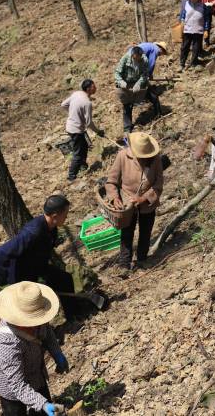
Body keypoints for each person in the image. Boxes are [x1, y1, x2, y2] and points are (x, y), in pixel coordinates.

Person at [0, 281, 69, 416]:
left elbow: (47, 333)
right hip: (10, 387)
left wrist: (57, 354)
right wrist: (43, 405)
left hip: (35, 374)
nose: (39, 323)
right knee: (16, 412)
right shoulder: (6, 342)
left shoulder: (38, 318)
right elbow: (17, 385)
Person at [0, 196, 79, 317]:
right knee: (30, 305)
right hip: (20, 275)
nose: (66, 217)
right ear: (54, 216)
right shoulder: (33, 232)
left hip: (37, 267)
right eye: (65, 214)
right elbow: (2, 252)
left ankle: (74, 315)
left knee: (65, 279)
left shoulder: (51, 228)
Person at [106, 132, 164, 271]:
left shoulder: (155, 159)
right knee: (127, 233)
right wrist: (115, 197)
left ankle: (142, 259)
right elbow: (111, 182)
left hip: (147, 204)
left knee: (145, 232)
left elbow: (158, 184)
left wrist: (144, 198)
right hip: (127, 202)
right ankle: (124, 263)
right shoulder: (123, 156)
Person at [61, 79, 105, 182]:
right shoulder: (87, 103)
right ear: (89, 88)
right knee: (78, 153)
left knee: (84, 146)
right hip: (75, 130)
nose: (96, 88)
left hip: (71, 127)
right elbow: (89, 123)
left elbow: (63, 105)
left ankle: (83, 166)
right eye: (94, 86)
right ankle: (71, 176)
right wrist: (98, 132)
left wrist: (73, 113)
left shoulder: (76, 94)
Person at [115, 46, 162, 133]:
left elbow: (145, 74)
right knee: (127, 105)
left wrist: (139, 83)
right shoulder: (125, 59)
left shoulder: (144, 59)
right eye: (136, 58)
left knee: (153, 96)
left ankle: (158, 114)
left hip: (139, 82)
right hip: (127, 83)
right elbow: (117, 73)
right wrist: (121, 82)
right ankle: (127, 128)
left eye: (139, 58)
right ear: (133, 55)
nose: (137, 60)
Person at [178, 0, 211, 71]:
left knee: (196, 47)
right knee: (185, 47)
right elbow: (183, 15)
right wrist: (182, 22)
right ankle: (182, 63)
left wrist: (206, 29)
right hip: (187, 29)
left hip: (198, 30)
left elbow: (206, 18)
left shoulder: (203, 6)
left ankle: (193, 62)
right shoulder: (186, 4)